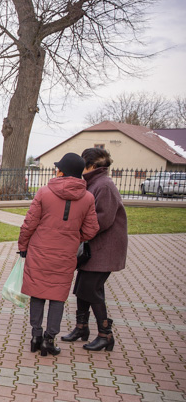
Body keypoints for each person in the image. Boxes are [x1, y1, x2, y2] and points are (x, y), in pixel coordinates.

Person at [18, 153, 100, 356]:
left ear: (62, 171)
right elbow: (91, 229)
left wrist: (23, 246)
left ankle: (36, 336)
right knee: (57, 297)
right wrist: (73, 237)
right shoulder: (88, 197)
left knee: (37, 293)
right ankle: (49, 339)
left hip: (39, 251)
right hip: (66, 254)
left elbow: (29, 224)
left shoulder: (44, 192)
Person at [61, 147, 128, 351]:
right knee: (82, 288)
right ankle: (82, 328)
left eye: (83, 163)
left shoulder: (104, 185)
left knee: (92, 289)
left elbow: (103, 219)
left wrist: (78, 230)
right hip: (93, 248)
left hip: (104, 248)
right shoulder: (94, 183)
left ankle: (105, 334)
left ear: (90, 165)